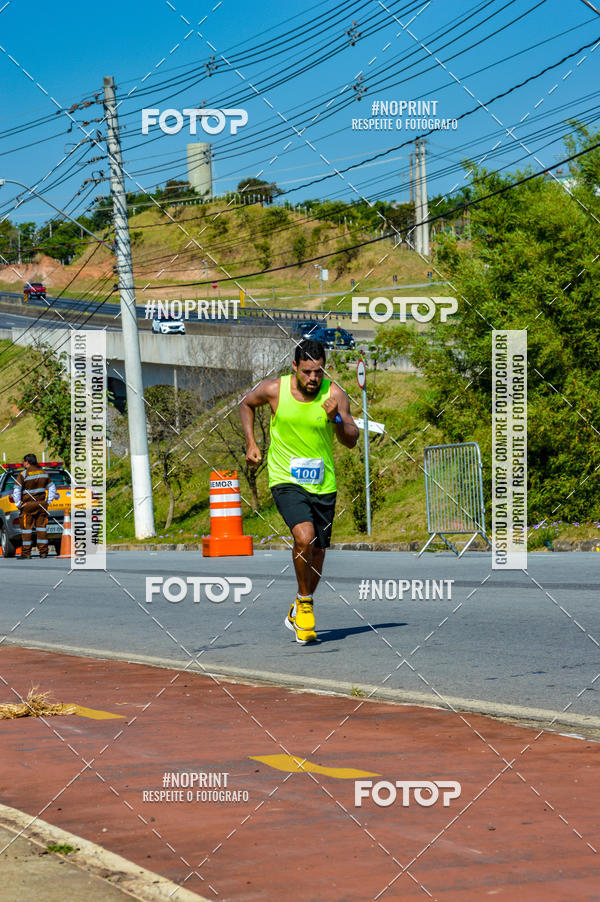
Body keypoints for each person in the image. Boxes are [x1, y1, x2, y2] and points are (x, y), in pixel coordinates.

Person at [240, 339, 359, 644]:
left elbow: (351, 439)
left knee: (317, 551)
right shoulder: (274, 389)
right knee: (303, 537)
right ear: (294, 367)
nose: (313, 379)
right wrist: (252, 443)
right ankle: (306, 605)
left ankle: (299, 605)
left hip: (323, 484)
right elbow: (246, 404)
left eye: (318, 372)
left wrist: (335, 417)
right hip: (285, 479)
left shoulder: (335, 395)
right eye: (307, 372)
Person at [13, 454, 58, 559]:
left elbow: (16, 491)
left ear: (28, 462)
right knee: (42, 529)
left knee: (26, 529)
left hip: (27, 506)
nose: (23, 464)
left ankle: (26, 553)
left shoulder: (23, 474)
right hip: (41, 505)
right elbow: (52, 488)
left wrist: (19, 504)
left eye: (24, 462)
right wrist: (48, 501)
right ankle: (43, 552)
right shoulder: (44, 473)